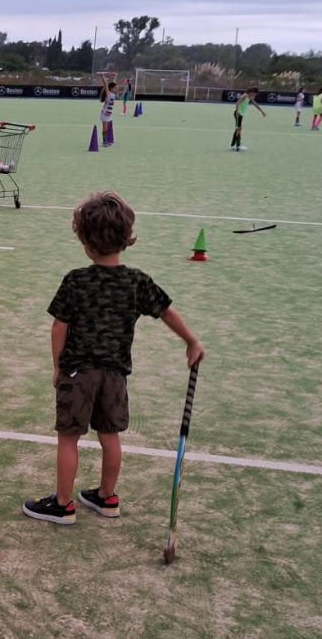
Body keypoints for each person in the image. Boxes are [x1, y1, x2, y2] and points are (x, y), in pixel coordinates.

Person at [23, 191, 203, 525]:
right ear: (125, 239)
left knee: (68, 437)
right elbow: (166, 311)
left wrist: (57, 366)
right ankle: (106, 498)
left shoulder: (76, 280)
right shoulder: (136, 281)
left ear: (85, 241)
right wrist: (191, 341)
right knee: (110, 436)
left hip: (78, 373)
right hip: (115, 375)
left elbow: (58, 327)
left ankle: (63, 504)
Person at [100, 79, 118, 146]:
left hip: (109, 115)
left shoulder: (113, 94)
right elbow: (106, 85)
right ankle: (104, 142)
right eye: (115, 88)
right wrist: (103, 77)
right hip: (104, 114)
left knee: (107, 129)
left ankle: (106, 140)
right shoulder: (108, 94)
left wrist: (115, 76)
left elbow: (114, 82)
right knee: (104, 129)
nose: (116, 89)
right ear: (111, 88)